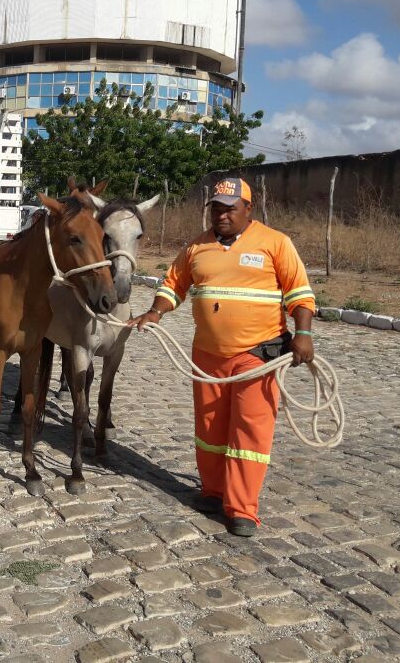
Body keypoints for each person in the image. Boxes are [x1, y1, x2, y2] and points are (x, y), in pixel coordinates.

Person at [128, 178, 316, 536]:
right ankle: (213, 492)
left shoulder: (276, 243)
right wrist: (155, 312)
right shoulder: (198, 246)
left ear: (249, 208)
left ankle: (242, 508)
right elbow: (173, 284)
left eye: (230, 207)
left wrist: (303, 334)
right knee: (211, 429)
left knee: (249, 430)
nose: (222, 214)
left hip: (257, 353)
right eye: (216, 207)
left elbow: (299, 293)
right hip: (208, 357)